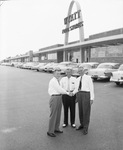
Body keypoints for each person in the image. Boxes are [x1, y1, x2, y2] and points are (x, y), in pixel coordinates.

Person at [47, 68, 69, 137]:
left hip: (59, 97)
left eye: (59, 73)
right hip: (55, 98)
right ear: (53, 74)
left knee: (58, 114)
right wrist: (67, 93)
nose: (58, 75)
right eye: (57, 73)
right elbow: (59, 89)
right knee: (53, 115)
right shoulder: (53, 81)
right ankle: (50, 131)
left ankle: (56, 128)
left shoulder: (57, 80)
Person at [72, 67, 94, 135]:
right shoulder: (77, 79)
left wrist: (91, 98)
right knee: (80, 111)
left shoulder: (88, 78)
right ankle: (82, 124)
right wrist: (72, 94)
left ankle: (85, 127)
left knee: (86, 112)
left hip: (86, 94)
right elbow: (76, 89)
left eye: (81, 71)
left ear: (84, 71)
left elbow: (91, 88)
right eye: (79, 71)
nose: (80, 72)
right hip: (80, 94)